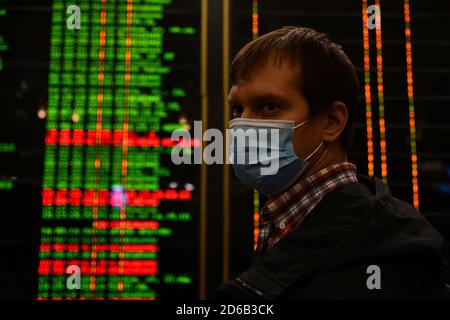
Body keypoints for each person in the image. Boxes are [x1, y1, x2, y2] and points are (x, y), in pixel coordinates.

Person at [217, 26, 448, 299]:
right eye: (238, 110)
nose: (244, 125)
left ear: (332, 122)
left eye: (269, 106)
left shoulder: (384, 256)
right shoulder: (297, 218)